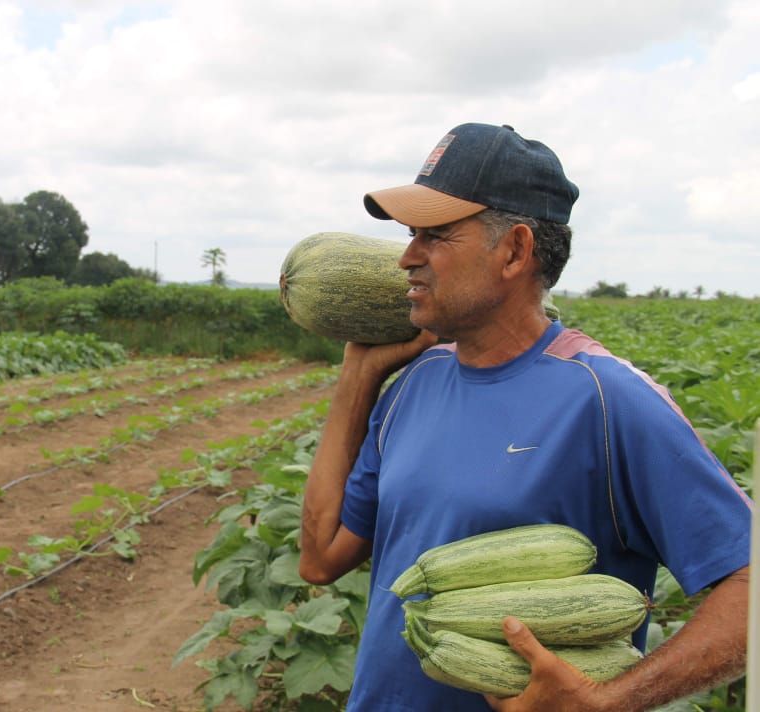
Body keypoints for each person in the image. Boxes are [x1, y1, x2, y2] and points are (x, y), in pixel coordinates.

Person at [297, 122, 752, 712]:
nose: (407, 257)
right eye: (410, 235)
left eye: (435, 235)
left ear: (514, 250)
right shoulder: (412, 384)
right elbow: (318, 559)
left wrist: (610, 700)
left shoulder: (608, 398)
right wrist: (358, 379)